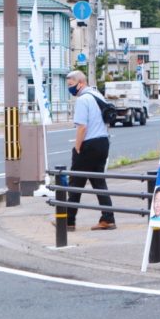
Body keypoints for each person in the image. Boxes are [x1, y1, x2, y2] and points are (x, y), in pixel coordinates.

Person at [65, 70, 116, 231]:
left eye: (71, 85)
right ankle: (108, 219)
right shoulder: (97, 95)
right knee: (98, 182)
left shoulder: (83, 99)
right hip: (103, 142)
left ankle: (68, 221)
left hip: (89, 144)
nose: (70, 88)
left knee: (76, 182)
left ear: (81, 83)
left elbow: (82, 127)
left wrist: (77, 147)